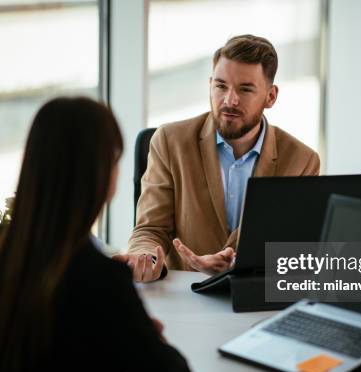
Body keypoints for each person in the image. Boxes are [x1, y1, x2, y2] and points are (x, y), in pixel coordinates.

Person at [0, 97, 192, 372]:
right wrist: (149, 339)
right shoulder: (101, 278)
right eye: (116, 160)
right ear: (102, 173)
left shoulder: (6, 247)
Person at [120, 34, 320, 281]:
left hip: (254, 296)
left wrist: (237, 263)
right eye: (221, 86)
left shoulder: (302, 161)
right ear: (210, 84)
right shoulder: (170, 142)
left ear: (271, 96)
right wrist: (147, 260)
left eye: (245, 89)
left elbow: (296, 251)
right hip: (184, 294)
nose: (229, 100)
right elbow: (150, 230)